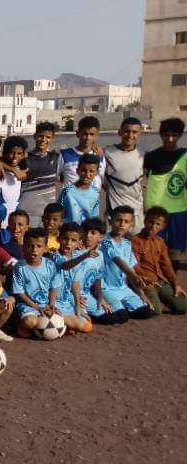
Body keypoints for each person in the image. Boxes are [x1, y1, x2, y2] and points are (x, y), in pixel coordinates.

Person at [143, 117, 187, 266]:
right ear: (161, 135)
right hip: (156, 210)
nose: (170, 139)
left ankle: (173, 278)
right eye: (166, 135)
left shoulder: (185, 155)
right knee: (154, 248)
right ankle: (157, 277)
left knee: (175, 251)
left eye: (174, 135)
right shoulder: (151, 157)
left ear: (180, 135)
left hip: (179, 210)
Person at [99, 207, 154, 320]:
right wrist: (134, 276)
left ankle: (122, 306)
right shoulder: (105, 241)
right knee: (121, 317)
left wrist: (142, 295)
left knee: (146, 312)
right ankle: (108, 306)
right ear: (110, 221)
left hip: (123, 289)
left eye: (126, 221)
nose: (121, 224)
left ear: (131, 225)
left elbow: (131, 270)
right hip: (107, 288)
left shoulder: (127, 244)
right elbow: (118, 261)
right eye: (118, 220)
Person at [131, 206, 187, 316]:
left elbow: (167, 265)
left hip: (160, 281)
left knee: (183, 307)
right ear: (145, 221)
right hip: (146, 283)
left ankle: (159, 297)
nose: (153, 226)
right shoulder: (135, 241)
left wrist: (176, 284)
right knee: (155, 311)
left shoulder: (160, 242)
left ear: (163, 226)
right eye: (151, 222)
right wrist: (148, 279)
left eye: (157, 224)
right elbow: (134, 265)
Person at [10, 228, 63, 334]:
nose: (34, 249)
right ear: (24, 247)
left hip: (46, 304)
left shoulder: (50, 265)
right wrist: (38, 308)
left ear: (45, 248)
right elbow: (20, 293)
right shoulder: (19, 267)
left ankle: (40, 328)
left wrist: (51, 304)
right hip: (28, 305)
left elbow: (54, 287)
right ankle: (20, 322)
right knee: (30, 322)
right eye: (31, 246)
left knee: (61, 318)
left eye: (39, 246)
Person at [103, 118, 145, 227]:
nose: (130, 135)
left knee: (138, 238)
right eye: (127, 131)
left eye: (134, 132)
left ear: (139, 133)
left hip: (137, 212)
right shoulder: (106, 153)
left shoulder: (143, 154)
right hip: (114, 212)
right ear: (120, 132)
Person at [19, 122, 60, 218]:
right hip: (26, 212)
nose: (43, 140)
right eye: (40, 136)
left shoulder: (56, 158)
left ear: (52, 138)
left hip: (47, 215)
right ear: (35, 136)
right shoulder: (24, 158)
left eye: (48, 137)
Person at [58, 115, 106, 188]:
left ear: (96, 135)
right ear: (78, 134)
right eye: (85, 134)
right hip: (70, 195)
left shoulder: (100, 156)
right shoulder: (64, 155)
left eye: (91, 134)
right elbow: (56, 177)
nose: (88, 137)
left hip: (93, 195)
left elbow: (102, 180)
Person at [59, 153, 101, 224]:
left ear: (97, 172)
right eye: (83, 170)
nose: (87, 175)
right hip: (69, 229)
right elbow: (59, 214)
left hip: (86, 230)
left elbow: (94, 216)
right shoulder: (67, 191)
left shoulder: (96, 192)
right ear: (77, 170)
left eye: (91, 171)